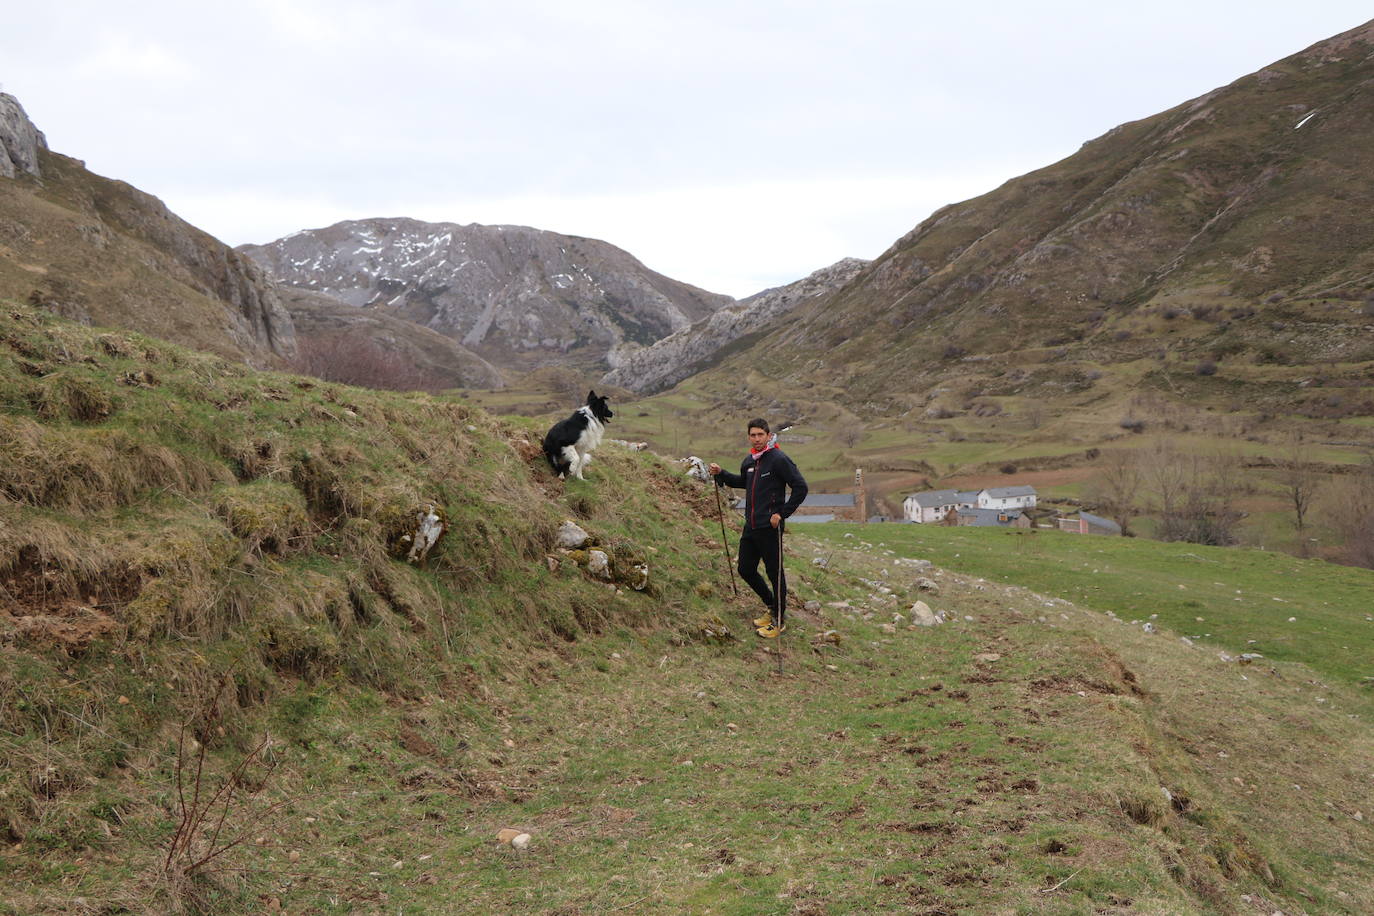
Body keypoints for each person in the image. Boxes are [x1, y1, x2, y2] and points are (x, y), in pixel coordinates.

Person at [709, 418, 808, 638]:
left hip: (770, 527)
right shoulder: (750, 461)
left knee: (775, 574)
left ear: (768, 435)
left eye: (760, 435)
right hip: (751, 526)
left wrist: (781, 514)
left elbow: (801, 487)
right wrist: (721, 473)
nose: (756, 439)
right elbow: (743, 482)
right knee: (745, 569)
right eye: (752, 435)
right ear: (749, 437)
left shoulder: (779, 459)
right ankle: (772, 606)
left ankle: (780, 620)